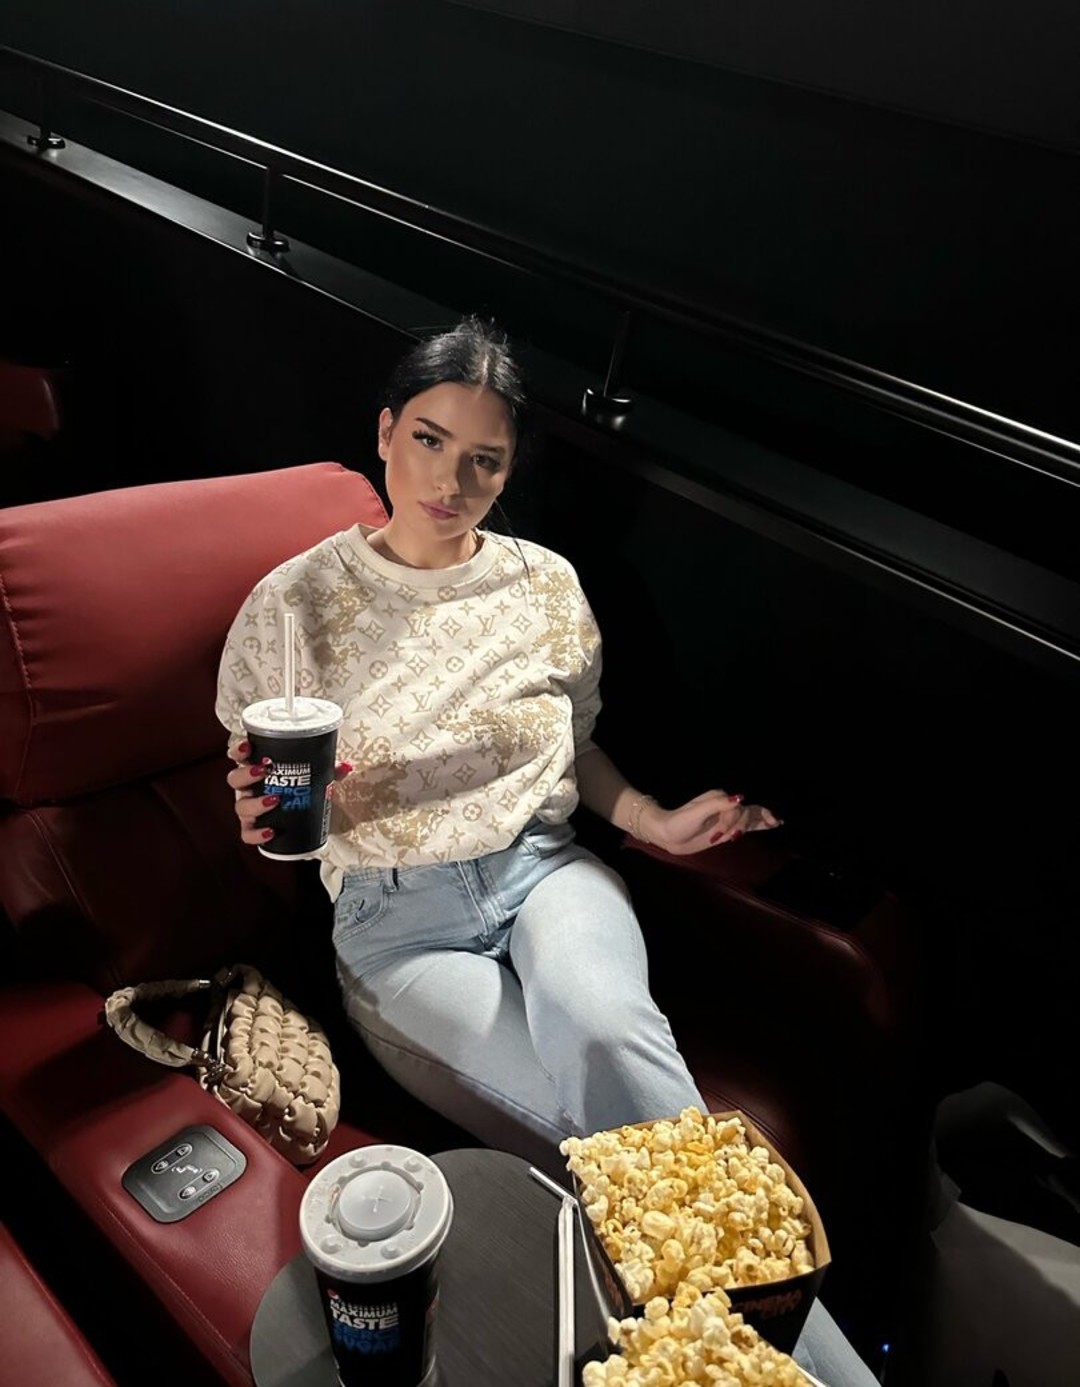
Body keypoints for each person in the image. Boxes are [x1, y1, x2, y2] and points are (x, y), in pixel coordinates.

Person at [217, 316, 877, 1385]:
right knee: (612, 1135)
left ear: (510, 466)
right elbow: (262, 772)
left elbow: (574, 746)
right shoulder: (293, 605)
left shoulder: (545, 588)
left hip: (543, 871)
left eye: (485, 459)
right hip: (397, 922)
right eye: (429, 440)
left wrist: (651, 819)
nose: (452, 481)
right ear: (384, 433)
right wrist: (258, 812)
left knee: (607, 1030)